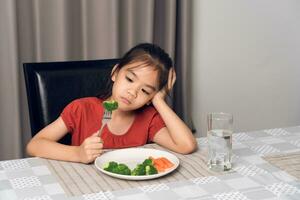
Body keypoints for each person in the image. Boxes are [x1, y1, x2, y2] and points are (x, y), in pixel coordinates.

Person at [26, 43, 197, 164]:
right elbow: (35, 145)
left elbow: (186, 145)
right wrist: (77, 153)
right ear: (115, 73)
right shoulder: (81, 109)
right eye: (129, 79)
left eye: (145, 91)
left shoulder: (149, 119)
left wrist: (160, 101)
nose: (133, 92)